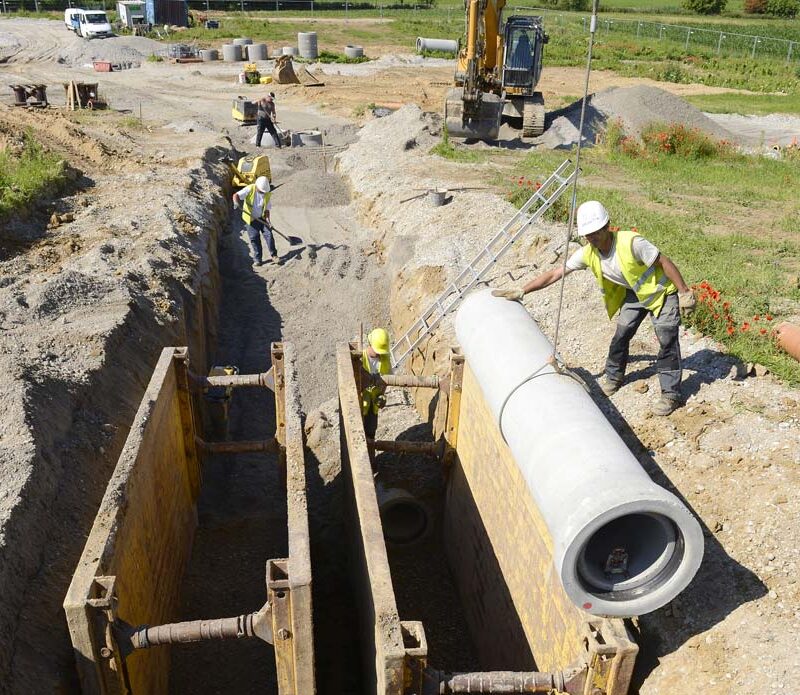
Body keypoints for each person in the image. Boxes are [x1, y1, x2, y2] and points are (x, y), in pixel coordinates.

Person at [493, 200, 696, 416]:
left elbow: (664, 262)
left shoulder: (631, 243)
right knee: (622, 334)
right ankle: (613, 378)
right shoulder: (588, 253)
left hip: (662, 293)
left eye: (596, 233)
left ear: (607, 226)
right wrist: (522, 290)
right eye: (588, 235)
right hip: (636, 295)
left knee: (666, 340)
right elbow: (555, 274)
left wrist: (684, 292)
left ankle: (671, 394)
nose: (592, 238)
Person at [231, 175, 279, 266]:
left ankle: (274, 255)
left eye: (263, 191)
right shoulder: (250, 189)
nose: (262, 192)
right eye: (260, 191)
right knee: (254, 238)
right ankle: (258, 259)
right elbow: (236, 195)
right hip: (251, 220)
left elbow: (267, 210)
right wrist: (236, 203)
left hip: (262, 219)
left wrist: (268, 222)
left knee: (269, 235)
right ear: (256, 186)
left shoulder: (266, 194)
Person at [361, 328, 392, 439]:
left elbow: (387, 379)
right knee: (360, 435)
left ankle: (371, 454)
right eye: (378, 351)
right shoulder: (360, 357)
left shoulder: (385, 359)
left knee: (370, 433)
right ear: (370, 344)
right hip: (360, 404)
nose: (380, 354)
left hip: (374, 404)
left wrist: (382, 394)